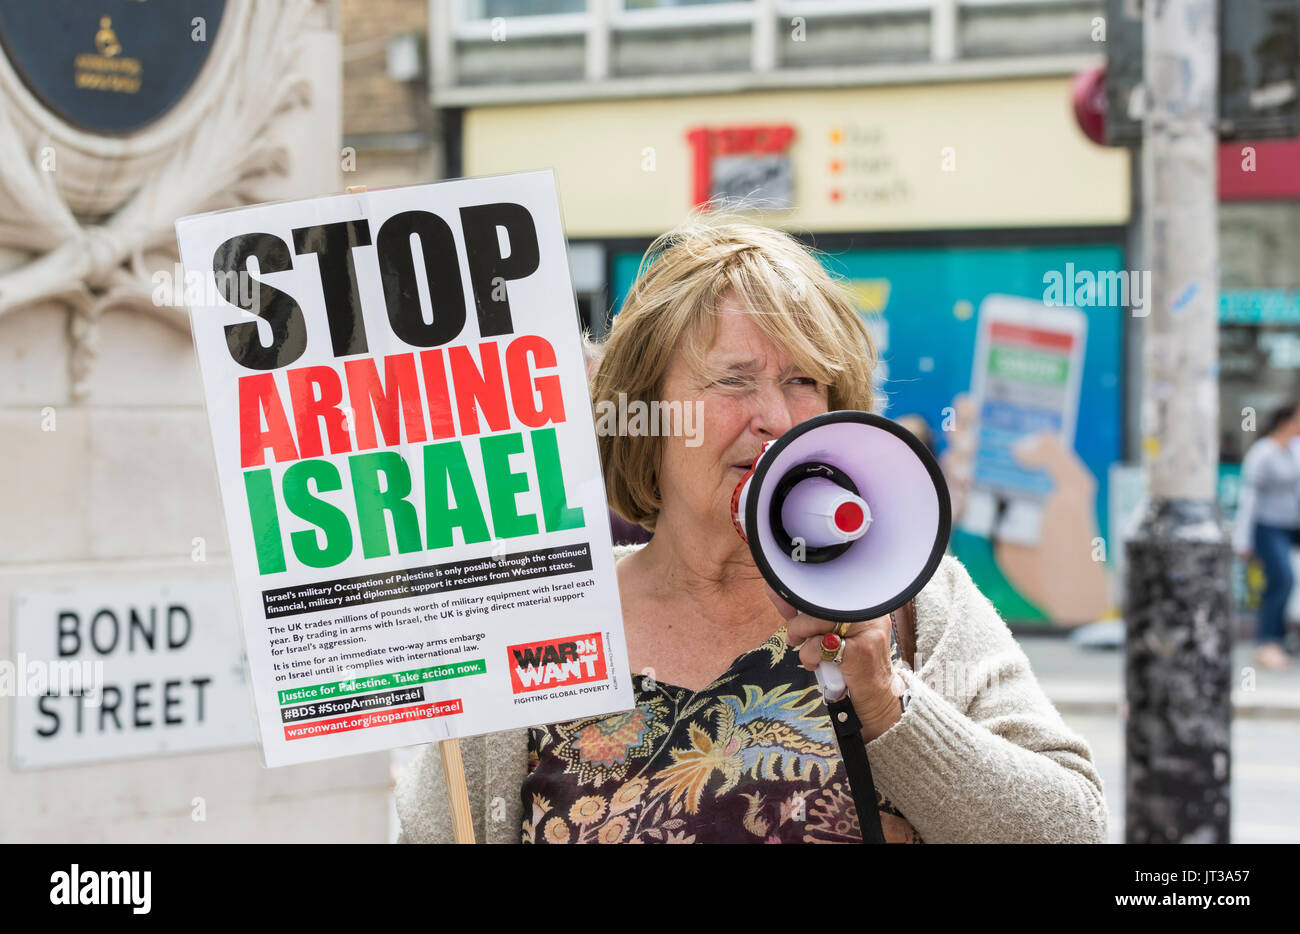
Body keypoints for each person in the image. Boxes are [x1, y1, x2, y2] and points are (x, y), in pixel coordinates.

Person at [395, 216, 1107, 844]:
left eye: (803, 381)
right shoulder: (544, 619)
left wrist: (890, 706)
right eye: (734, 381)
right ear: (648, 416)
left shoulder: (913, 600)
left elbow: (1071, 830)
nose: (775, 416)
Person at [1233, 401, 1300, 671]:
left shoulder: (1295, 451)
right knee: (1281, 578)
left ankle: (1283, 639)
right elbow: (1249, 497)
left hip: (1292, 526)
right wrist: (1242, 538)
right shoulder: (1263, 452)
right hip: (1267, 527)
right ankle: (1266, 641)